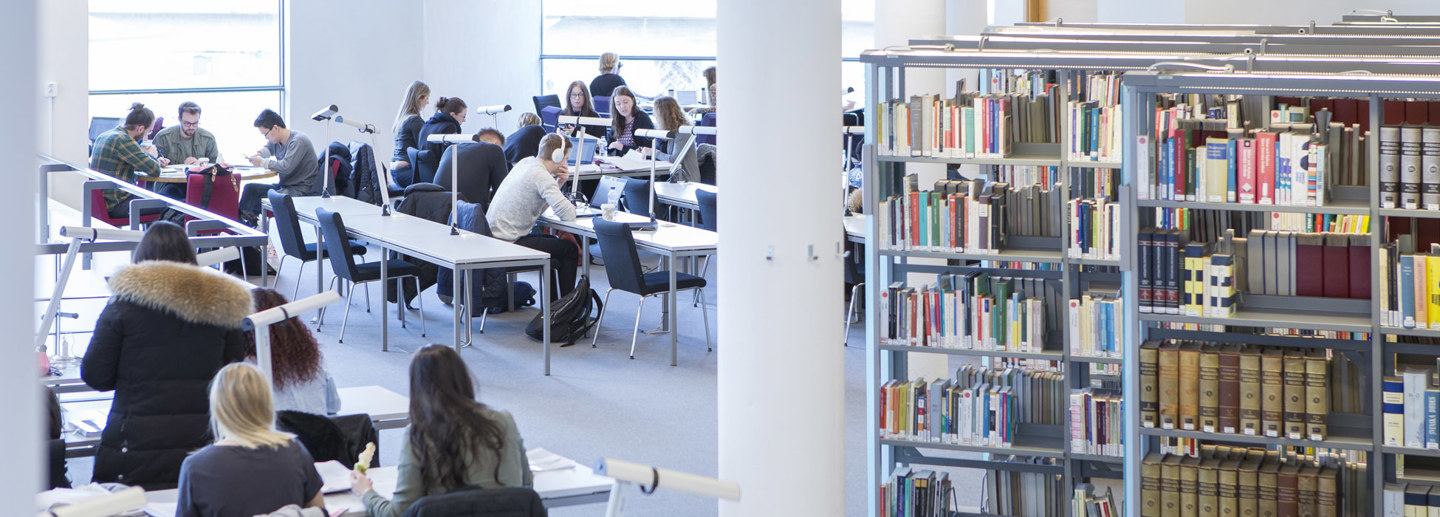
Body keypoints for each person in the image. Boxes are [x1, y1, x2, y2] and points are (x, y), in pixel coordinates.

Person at [81, 222, 251, 489]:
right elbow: (231, 374)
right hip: (201, 448)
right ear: (190, 257)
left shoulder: (122, 306)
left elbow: (95, 376)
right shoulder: (224, 307)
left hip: (133, 448)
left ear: (141, 257)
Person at [351, 345, 532, 517]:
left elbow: (399, 514)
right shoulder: (503, 420)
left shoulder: (418, 434)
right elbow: (526, 485)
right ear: (464, 379)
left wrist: (366, 492)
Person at [175, 363, 326, 517]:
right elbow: (318, 512)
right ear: (266, 403)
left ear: (219, 408)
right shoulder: (295, 451)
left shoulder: (196, 467)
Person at [486, 133, 579, 297]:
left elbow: (538, 206)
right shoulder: (542, 176)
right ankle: (566, 305)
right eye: (565, 158)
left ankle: (555, 305)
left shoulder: (526, 162)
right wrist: (557, 183)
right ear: (557, 156)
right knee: (570, 249)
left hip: (493, 239)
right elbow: (569, 215)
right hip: (509, 243)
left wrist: (560, 182)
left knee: (555, 246)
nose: (565, 163)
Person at [244, 288, 340, 416]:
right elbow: (333, 406)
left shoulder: (243, 367)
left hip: (274, 429)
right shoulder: (310, 359)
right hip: (316, 427)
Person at [240, 109, 321, 225]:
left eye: (265, 134)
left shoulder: (298, 141)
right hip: (285, 186)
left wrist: (262, 162)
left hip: (300, 190)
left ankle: (249, 224)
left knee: (263, 200)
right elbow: (268, 148)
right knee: (250, 189)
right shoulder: (277, 140)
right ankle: (243, 225)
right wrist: (259, 154)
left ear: (276, 128)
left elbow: (286, 167)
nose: (266, 138)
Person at [88, 102, 163, 220]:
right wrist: (152, 155)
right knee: (171, 204)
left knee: (155, 198)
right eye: (148, 132)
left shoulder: (105, 135)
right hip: (118, 204)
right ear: (140, 128)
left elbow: (126, 163)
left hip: (102, 203)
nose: (146, 135)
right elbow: (154, 170)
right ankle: (160, 232)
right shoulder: (124, 140)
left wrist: (145, 156)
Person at [435, 129, 509, 207]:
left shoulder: (451, 148)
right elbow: (502, 192)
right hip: (469, 210)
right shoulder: (495, 149)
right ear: (495, 143)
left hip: (438, 207)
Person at [416, 96, 467, 184]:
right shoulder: (450, 127)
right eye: (463, 116)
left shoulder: (426, 126)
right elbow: (449, 160)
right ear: (452, 115)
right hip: (440, 180)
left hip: (425, 179)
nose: (464, 120)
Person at [153, 101, 220, 167]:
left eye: (195, 123)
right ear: (179, 119)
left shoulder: (208, 139)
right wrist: (160, 162)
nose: (191, 127)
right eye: (187, 123)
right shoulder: (163, 137)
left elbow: (215, 167)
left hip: (198, 174)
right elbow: (152, 164)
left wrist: (201, 164)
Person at [391, 81, 430, 187]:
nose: (427, 102)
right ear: (419, 98)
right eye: (427, 98)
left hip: (395, 172)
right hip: (406, 171)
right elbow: (423, 147)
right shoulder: (415, 120)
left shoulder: (402, 119)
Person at [652, 96, 700, 183]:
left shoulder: (683, 132)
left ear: (664, 115)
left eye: (656, 112)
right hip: (673, 178)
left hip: (685, 180)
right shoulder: (670, 130)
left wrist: (653, 152)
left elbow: (675, 160)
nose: (654, 115)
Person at [607, 85, 655, 156]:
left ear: (633, 100)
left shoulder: (642, 118)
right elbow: (609, 146)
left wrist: (622, 147)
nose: (622, 106)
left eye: (626, 102)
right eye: (618, 104)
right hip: (619, 160)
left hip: (638, 160)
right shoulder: (616, 120)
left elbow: (647, 149)